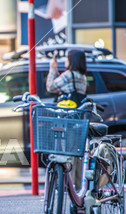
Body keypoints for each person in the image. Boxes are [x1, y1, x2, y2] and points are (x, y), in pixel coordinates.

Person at [46, 49, 88, 189]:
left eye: (67, 58)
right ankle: (76, 184)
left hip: (67, 119)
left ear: (72, 61)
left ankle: (67, 184)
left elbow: (50, 86)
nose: (65, 61)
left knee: (66, 151)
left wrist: (53, 69)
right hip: (78, 118)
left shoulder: (68, 75)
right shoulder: (82, 76)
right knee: (76, 153)